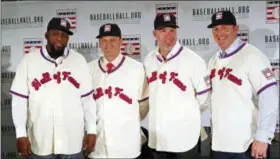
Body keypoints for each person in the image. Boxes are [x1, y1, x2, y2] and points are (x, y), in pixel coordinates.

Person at [9, 17, 97, 159]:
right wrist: (21, 134)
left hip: (72, 140)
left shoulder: (78, 60)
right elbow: (19, 101)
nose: (60, 38)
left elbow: (87, 99)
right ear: (46, 35)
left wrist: (92, 130)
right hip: (40, 140)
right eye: (55, 33)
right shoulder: (29, 61)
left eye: (64, 35)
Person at [207, 10, 279, 159]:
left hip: (248, 144)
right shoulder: (213, 61)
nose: (220, 33)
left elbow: (270, 97)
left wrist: (263, 136)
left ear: (236, 29)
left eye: (225, 28)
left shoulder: (252, 56)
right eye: (215, 29)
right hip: (220, 144)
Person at [143, 13, 211, 159]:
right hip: (158, 138)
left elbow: (205, 99)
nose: (169, 35)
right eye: (163, 31)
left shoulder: (193, 61)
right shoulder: (149, 61)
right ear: (154, 34)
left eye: (172, 30)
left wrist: (186, 113)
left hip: (185, 137)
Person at [87, 23, 149, 159]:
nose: (108, 44)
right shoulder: (89, 69)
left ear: (121, 41)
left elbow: (143, 107)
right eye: (103, 40)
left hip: (127, 146)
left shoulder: (137, 69)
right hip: (97, 146)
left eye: (112, 40)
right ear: (99, 43)